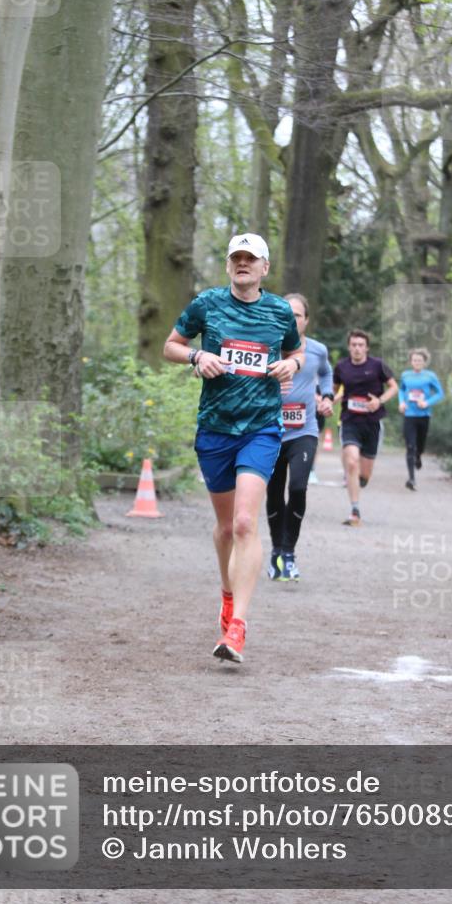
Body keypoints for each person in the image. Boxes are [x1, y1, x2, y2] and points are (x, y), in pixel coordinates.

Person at [163, 233, 304, 664]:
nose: (242, 264)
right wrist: (195, 359)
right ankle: (227, 595)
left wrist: (290, 365)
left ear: (264, 268)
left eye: (251, 259)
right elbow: (171, 345)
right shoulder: (207, 304)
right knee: (226, 528)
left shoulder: (280, 311)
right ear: (229, 266)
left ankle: (237, 627)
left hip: (261, 428)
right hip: (215, 430)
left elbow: (296, 352)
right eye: (236, 258)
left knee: (245, 522)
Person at [265, 293, 334, 582]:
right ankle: (275, 551)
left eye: (297, 315)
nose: (292, 319)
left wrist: (327, 397)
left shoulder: (317, 350)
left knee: (297, 488)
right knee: (274, 492)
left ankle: (289, 552)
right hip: (269, 431)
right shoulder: (267, 347)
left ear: (306, 320)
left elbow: (326, 374)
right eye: (287, 314)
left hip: (304, 431)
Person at [333, 329, 398, 526]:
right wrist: (330, 400)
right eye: (353, 345)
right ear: (349, 347)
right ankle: (355, 510)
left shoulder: (377, 365)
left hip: (372, 423)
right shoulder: (341, 367)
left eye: (361, 345)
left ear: (367, 348)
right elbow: (336, 391)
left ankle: (360, 480)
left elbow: (394, 387)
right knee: (352, 462)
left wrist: (379, 400)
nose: (357, 348)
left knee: (364, 474)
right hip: (350, 421)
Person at [398, 347, 444, 490]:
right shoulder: (405, 375)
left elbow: (439, 393)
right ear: (411, 362)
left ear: (424, 362)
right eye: (414, 360)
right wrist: (402, 402)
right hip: (409, 415)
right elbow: (401, 390)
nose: (417, 362)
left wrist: (427, 403)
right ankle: (411, 479)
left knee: (420, 445)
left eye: (420, 360)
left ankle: (419, 456)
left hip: (424, 416)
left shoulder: (430, 376)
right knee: (410, 446)